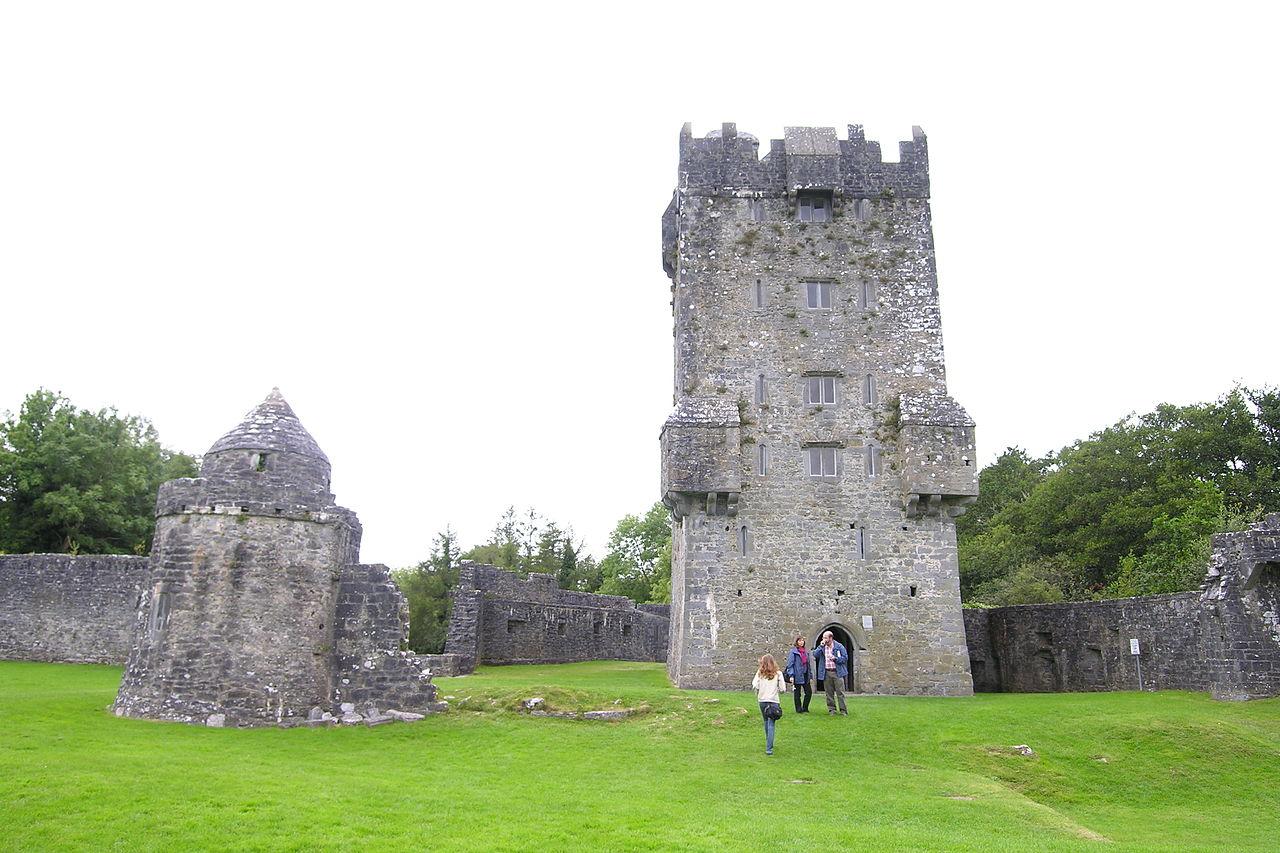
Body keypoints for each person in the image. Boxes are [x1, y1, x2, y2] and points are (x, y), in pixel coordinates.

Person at [752, 653, 787, 755]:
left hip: (762, 700)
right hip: (773, 701)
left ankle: (768, 743)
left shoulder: (760, 673)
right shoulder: (778, 674)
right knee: (771, 723)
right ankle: (769, 748)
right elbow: (783, 689)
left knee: (766, 721)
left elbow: (755, 685)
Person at [813, 630, 849, 715]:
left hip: (837, 672)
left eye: (825, 637)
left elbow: (845, 658)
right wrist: (821, 646)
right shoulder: (822, 647)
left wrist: (835, 658)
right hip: (826, 672)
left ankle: (843, 710)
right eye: (823, 637)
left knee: (840, 692)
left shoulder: (839, 646)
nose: (824, 639)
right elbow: (815, 655)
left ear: (830, 638)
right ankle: (832, 710)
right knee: (829, 693)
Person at [784, 636, 813, 713]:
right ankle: (798, 709)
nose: (801, 642)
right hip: (797, 674)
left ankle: (805, 708)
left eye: (802, 640)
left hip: (805, 674)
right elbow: (790, 664)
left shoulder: (806, 652)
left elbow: (808, 664)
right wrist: (791, 675)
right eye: (799, 640)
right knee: (797, 693)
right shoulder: (793, 652)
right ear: (796, 642)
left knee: (809, 692)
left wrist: (810, 675)